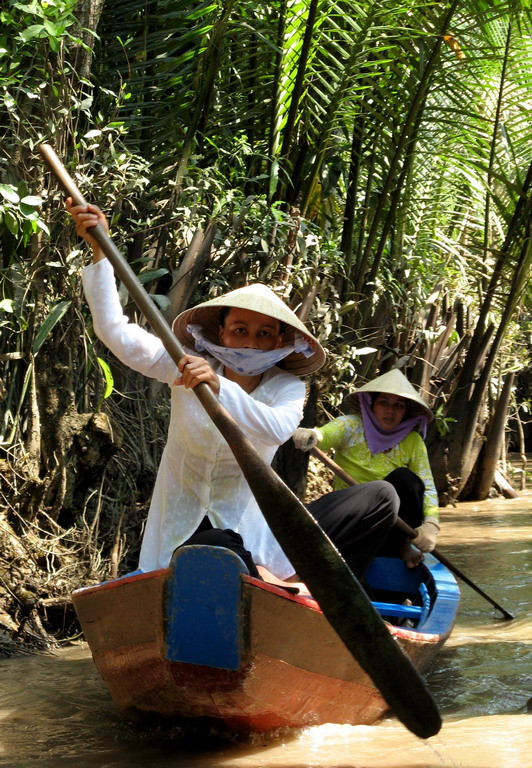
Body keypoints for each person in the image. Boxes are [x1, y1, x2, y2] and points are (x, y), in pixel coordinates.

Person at [67, 200, 398, 591]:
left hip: (259, 540)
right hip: (184, 536)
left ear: (281, 341)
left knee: (383, 497)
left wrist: (218, 386)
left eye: (264, 334)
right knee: (216, 549)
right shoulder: (185, 363)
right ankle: (276, 583)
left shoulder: (287, 386)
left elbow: (275, 429)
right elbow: (115, 332)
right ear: (220, 334)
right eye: (240, 330)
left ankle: (322, 592)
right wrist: (100, 251)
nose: (252, 343)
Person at [293, 369, 440, 568]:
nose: (390, 410)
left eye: (398, 405)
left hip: (391, 527)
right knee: (381, 491)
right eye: (384, 403)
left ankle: (402, 547)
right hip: (353, 520)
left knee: (405, 479)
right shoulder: (352, 425)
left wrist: (431, 524)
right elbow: (325, 435)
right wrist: (312, 434)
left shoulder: (413, 441)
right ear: (371, 404)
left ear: (406, 411)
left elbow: (428, 487)